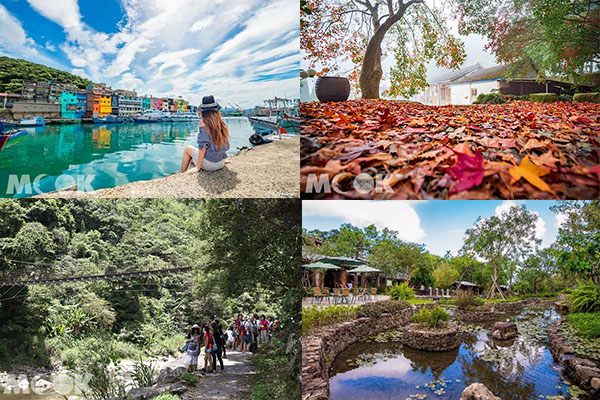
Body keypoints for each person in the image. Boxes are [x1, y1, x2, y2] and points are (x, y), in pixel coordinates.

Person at [180, 95, 230, 173]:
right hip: (221, 162)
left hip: (210, 165)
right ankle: (192, 164)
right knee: (195, 155)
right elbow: (223, 142)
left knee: (187, 149)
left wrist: (198, 167)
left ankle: (182, 172)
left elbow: (203, 148)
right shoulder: (221, 122)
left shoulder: (203, 122)